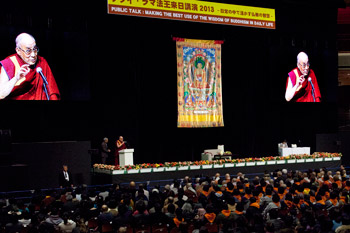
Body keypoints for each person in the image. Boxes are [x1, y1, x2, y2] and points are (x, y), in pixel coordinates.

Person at [0, 33, 60, 100]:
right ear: (18, 51)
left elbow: (52, 91)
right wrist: (16, 78)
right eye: (28, 51)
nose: (33, 55)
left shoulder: (41, 62)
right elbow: (1, 94)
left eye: (35, 49)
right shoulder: (9, 63)